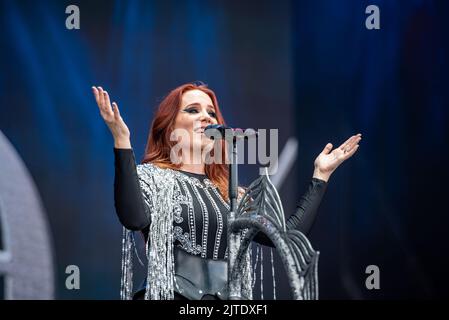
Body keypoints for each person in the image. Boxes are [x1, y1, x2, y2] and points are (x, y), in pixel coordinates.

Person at [92, 82, 362, 300]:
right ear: (170, 127)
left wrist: (321, 175)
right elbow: (134, 218)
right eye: (193, 110)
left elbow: (285, 238)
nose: (206, 118)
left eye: (210, 113)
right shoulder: (153, 177)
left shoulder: (232, 194)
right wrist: (122, 141)